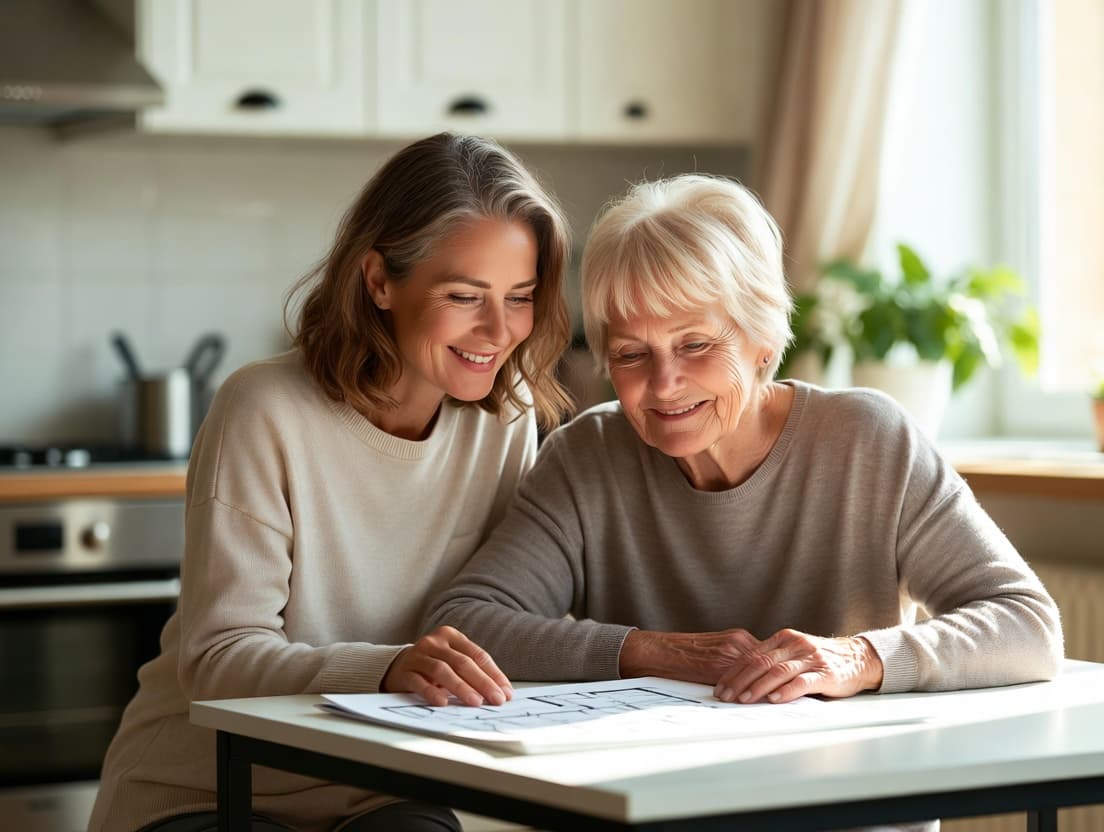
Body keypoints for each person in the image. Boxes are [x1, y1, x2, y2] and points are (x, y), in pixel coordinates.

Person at [425, 174, 1063, 830]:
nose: (663, 384)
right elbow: (465, 622)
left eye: (695, 344)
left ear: (762, 338)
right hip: (659, 813)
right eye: (632, 354)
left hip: (844, 813)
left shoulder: (869, 440)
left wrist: (859, 658)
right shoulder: (587, 456)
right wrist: (654, 651)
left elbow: (1025, 623)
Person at [89, 132, 573, 832]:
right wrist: (386, 668)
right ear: (379, 281)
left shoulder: (507, 421)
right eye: (465, 295)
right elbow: (219, 658)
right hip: (207, 782)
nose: (499, 330)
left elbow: (498, 613)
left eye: (520, 297)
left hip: (382, 784)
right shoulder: (263, 408)